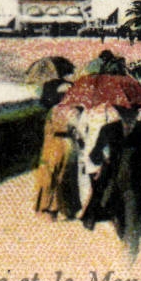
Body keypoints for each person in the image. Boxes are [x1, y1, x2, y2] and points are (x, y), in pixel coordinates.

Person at [85, 105, 141, 259]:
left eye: (132, 114)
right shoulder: (108, 130)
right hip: (113, 186)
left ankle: (130, 257)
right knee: (119, 222)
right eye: (125, 115)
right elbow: (94, 157)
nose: (129, 119)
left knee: (133, 225)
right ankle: (128, 247)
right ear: (119, 114)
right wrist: (103, 155)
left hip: (137, 186)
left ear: (137, 113)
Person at [34, 82, 80, 220]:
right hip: (69, 144)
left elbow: (47, 131)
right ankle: (68, 208)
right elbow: (79, 130)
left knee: (51, 175)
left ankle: (49, 209)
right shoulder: (74, 111)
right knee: (67, 176)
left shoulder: (53, 110)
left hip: (54, 144)